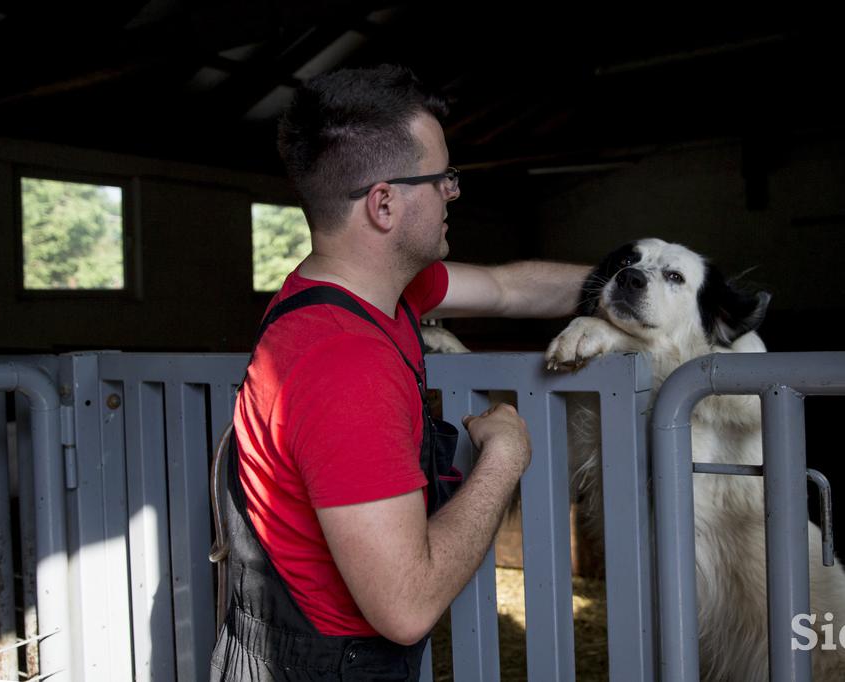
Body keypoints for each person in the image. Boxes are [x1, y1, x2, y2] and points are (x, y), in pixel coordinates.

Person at [209, 64, 589, 681]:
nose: (453, 193)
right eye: (441, 178)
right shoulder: (344, 366)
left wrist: (635, 282)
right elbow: (405, 606)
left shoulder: (357, 295)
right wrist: (504, 458)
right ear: (384, 203)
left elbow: (504, 288)